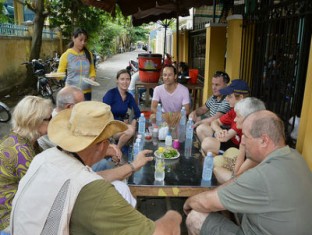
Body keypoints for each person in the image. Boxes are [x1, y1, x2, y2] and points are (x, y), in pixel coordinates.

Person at [10, 101, 182, 234]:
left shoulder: (43, 158)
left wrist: (132, 166)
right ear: (102, 145)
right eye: (109, 140)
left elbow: (89, 178)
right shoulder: (94, 191)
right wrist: (173, 215)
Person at [183, 110, 312, 235]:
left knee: (196, 217)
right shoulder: (294, 156)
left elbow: (205, 203)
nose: (242, 142)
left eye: (246, 136)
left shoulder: (263, 175)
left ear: (264, 140)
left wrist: (188, 202)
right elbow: (238, 180)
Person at [0, 96, 53, 234]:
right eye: (49, 118)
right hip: (7, 215)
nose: (53, 121)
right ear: (35, 121)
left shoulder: (23, 139)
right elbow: (40, 191)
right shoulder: (20, 152)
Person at [213, 97, 266, 184]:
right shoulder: (248, 135)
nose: (235, 119)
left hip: (254, 185)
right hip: (244, 175)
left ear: (249, 119)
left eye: (238, 116)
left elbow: (236, 175)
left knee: (217, 170)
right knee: (216, 161)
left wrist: (243, 145)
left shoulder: (256, 141)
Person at [201, 79, 250, 155]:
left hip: (239, 150)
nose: (226, 99)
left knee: (207, 143)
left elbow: (224, 138)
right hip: (231, 140)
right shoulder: (234, 110)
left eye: (230, 96)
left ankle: (216, 161)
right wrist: (218, 130)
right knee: (202, 128)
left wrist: (220, 134)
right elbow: (215, 122)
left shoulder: (245, 114)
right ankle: (213, 159)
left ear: (240, 97)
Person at [103, 69, 141, 150]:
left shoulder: (129, 96)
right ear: (117, 80)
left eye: (127, 79)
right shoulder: (111, 94)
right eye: (122, 79)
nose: (125, 82)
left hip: (121, 126)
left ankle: (117, 150)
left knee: (132, 130)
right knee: (130, 131)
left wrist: (133, 124)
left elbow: (137, 112)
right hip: (110, 127)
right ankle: (117, 150)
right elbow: (104, 113)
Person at [189, 71, 231, 142]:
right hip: (212, 125)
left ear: (226, 85)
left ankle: (208, 149)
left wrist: (198, 123)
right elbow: (203, 109)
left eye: (217, 85)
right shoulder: (214, 97)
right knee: (195, 118)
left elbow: (215, 118)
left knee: (200, 127)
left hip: (221, 130)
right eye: (213, 84)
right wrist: (194, 113)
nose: (214, 87)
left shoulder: (227, 99)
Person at [57, 28, 96, 101]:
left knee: (85, 112)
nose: (83, 43)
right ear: (73, 38)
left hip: (86, 92)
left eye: (85, 41)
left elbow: (92, 70)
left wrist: (92, 78)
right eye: (80, 40)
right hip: (71, 93)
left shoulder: (88, 54)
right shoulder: (66, 55)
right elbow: (60, 74)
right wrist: (56, 77)